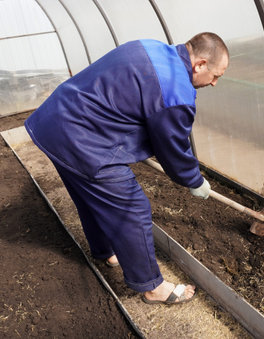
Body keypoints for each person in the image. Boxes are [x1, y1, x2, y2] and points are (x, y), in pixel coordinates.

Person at [25, 32, 229, 304]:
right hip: (83, 140)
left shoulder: (148, 46)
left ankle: (106, 251)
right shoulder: (177, 91)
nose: (215, 83)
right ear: (200, 64)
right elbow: (173, 149)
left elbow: (125, 98)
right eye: (216, 76)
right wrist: (194, 179)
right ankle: (152, 286)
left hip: (55, 122)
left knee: (90, 197)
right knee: (132, 208)